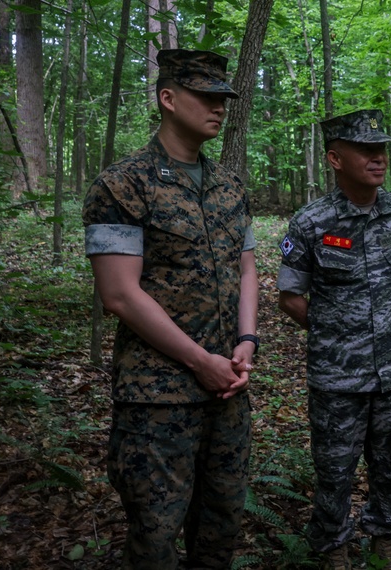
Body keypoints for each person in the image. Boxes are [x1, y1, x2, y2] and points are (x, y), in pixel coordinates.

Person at [82, 49, 259, 569]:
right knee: (156, 536)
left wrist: (246, 342)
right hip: (157, 399)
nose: (218, 107)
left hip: (228, 388)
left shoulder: (229, 186)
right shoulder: (122, 185)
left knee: (221, 527)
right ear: (167, 97)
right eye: (205, 96)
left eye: (223, 98)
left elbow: (246, 269)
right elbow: (118, 293)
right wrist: (199, 361)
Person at [277, 109, 391, 570]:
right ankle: (334, 550)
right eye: (365, 149)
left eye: (381, 148)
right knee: (334, 472)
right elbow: (289, 296)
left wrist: (379, 328)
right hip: (336, 378)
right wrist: (338, 334)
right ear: (335, 158)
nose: (378, 157)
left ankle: (385, 540)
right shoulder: (311, 222)